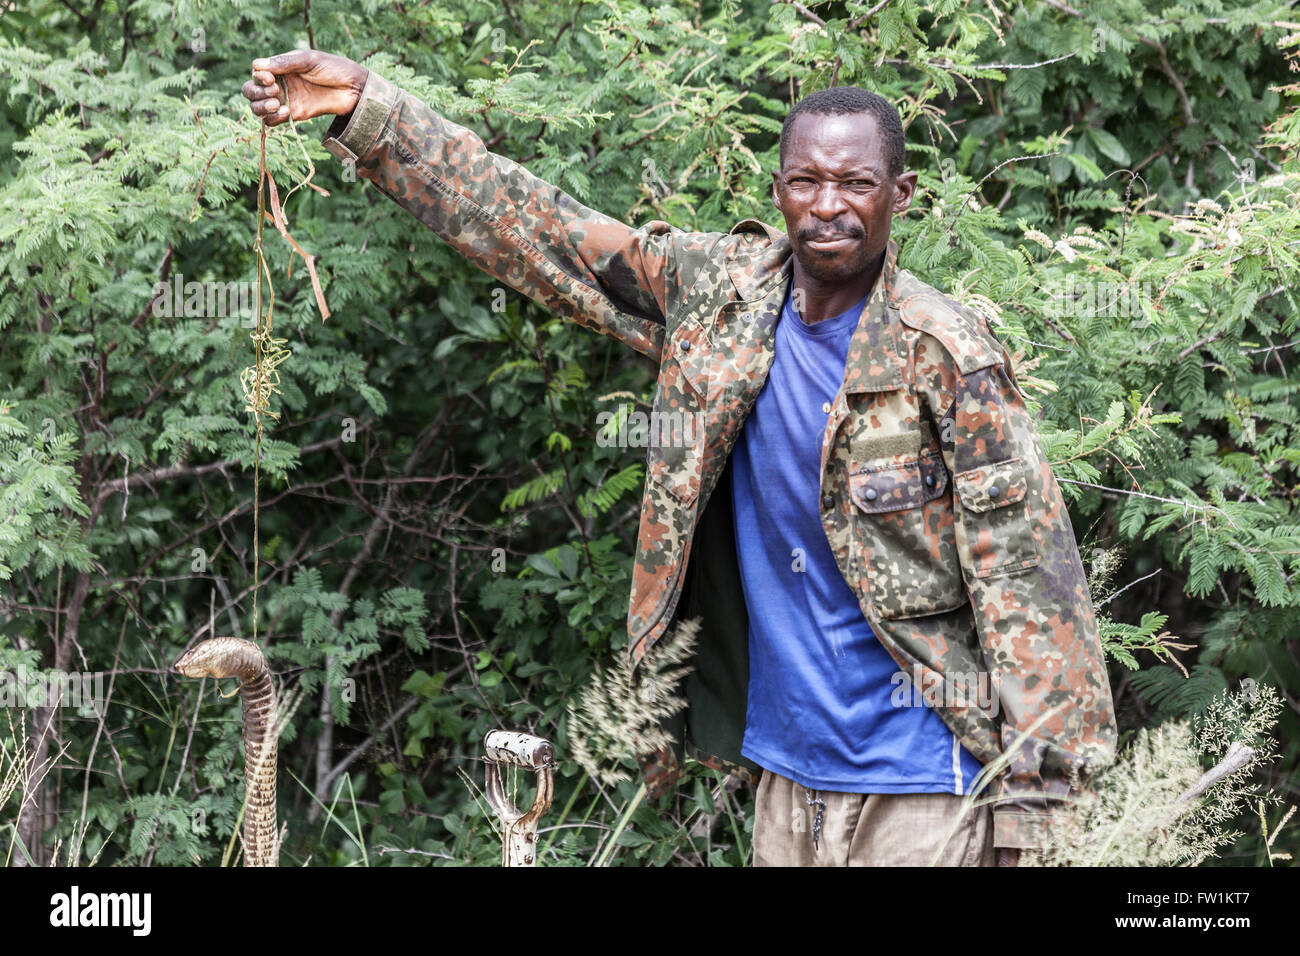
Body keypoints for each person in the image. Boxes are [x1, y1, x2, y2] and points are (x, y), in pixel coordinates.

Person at [243, 49, 1118, 867]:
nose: (829, 206)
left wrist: (1035, 818)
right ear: (778, 189)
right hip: (786, 777)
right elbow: (539, 229)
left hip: (924, 780)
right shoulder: (722, 300)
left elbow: (1032, 590)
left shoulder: (946, 356)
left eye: (856, 183)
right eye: (807, 181)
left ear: (901, 193)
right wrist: (369, 109)